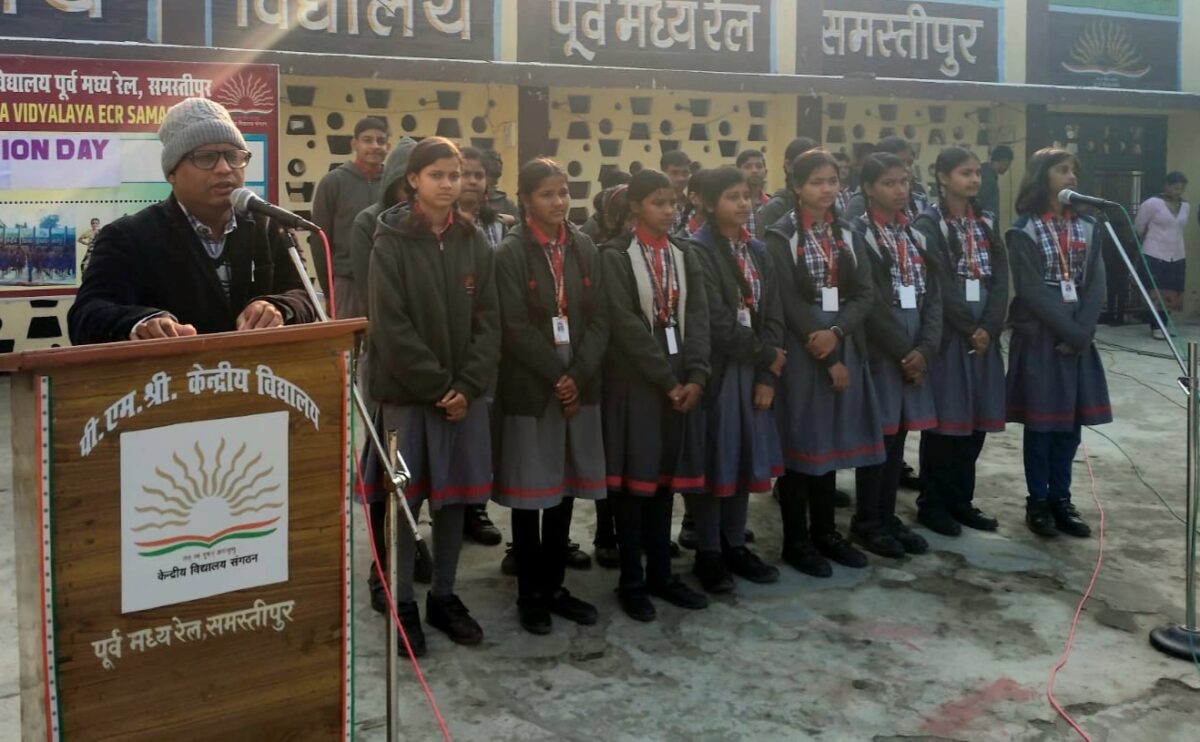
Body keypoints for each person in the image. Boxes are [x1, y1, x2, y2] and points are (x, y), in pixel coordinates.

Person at [366, 136, 501, 655]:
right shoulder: (390, 242)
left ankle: (444, 595)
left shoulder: (473, 240)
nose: (449, 184)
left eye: (456, 174)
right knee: (404, 502)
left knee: (454, 500)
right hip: (408, 399)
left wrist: (467, 386)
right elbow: (391, 328)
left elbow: (489, 320)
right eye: (438, 175)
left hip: (462, 400)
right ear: (413, 180)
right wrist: (440, 386)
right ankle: (402, 602)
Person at [68, 98, 316, 344]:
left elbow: (305, 297)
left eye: (233, 156)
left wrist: (279, 307)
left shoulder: (270, 227)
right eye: (205, 158)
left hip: (262, 368)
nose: (224, 168)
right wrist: (142, 322)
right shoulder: (129, 236)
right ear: (172, 173)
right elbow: (86, 315)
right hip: (170, 368)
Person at [493, 158, 608, 634]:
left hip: (579, 382)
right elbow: (514, 325)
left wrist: (577, 375)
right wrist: (557, 377)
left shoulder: (583, 245)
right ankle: (530, 593)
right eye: (547, 194)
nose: (559, 202)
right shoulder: (510, 252)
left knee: (564, 489)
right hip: (532, 387)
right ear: (525, 199)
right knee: (530, 493)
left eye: (563, 192)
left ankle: (555, 585)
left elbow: (600, 319)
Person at [600, 168, 711, 622]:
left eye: (673, 203)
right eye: (658, 203)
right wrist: (667, 380)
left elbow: (698, 316)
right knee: (634, 484)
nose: (668, 211)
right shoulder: (615, 256)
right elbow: (625, 325)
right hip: (639, 384)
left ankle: (662, 574)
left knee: (665, 480)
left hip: (682, 381)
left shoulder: (684, 253)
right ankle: (632, 580)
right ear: (635, 206)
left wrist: (696, 376)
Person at [767, 150, 880, 576]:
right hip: (803, 347)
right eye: (816, 181)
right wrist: (826, 349)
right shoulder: (780, 235)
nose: (826, 189)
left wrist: (838, 332)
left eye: (833, 180)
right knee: (801, 441)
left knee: (829, 441)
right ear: (797, 186)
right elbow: (786, 298)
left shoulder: (847, 232)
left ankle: (826, 532)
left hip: (841, 338)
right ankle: (796, 540)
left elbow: (865, 292)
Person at [1006, 148, 1112, 539]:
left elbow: (1096, 283)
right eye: (1062, 170)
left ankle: (1061, 499)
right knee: (1042, 425)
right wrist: (1070, 332)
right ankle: (1037, 500)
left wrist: (1082, 331)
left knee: (1069, 426)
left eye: (1074, 171)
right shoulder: (1024, 229)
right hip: (1041, 334)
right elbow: (1031, 289)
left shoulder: (1089, 226)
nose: (1071, 177)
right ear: (1041, 177)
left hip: (1077, 333)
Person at [687, 166, 783, 593]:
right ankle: (708, 551)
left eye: (746, 195)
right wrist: (766, 355)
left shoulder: (758, 250)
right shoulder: (697, 251)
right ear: (709, 204)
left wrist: (767, 374)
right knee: (715, 461)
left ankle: (735, 544)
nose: (743, 203)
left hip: (753, 372)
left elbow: (773, 314)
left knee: (743, 458)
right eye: (732, 196)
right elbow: (717, 322)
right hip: (719, 373)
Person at [850, 153, 942, 558]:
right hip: (882, 350)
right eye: (889, 183)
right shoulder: (858, 235)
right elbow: (869, 301)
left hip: (915, 345)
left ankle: (887, 516)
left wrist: (926, 349)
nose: (900, 190)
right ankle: (867, 520)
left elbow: (933, 295)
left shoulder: (915, 234)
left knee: (900, 434)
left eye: (904, 181)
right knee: (880, 436)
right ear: (868, 188)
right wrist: (906, 353)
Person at [913, 148, 1008, 537]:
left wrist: (991, 326)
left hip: (985, 333)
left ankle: (960, 500)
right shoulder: (929, 223)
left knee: (976, 421)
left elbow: (1000, 278)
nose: (973, 180)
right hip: (952, 334)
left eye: (976, 174)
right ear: (942, 177)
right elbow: (938, 282)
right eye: (964, 173)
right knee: (946, 423)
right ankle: (932, 503)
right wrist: (970, 328)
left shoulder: (986, 220)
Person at [347, 137, 423, 614]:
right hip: (389, 365)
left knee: (422, 470)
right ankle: (382, 568)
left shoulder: (444, 226)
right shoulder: (369, 223)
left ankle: (410, 553)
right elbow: (377, 298)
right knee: (388, 472)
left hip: (434, 367)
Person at [311, 116, 389, 318]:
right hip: (347, 284)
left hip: (388, 282)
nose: (375, 146)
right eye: (367, 140)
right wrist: (329, 291)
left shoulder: (394, 184)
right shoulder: (333, 182)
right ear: (354, 144)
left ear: (388, 146)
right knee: (347, 338)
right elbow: (320, 241)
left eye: (381, 141)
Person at [1136, 171, 1189, 340]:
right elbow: (1139, 227)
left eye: (1181, 189)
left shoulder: (1186, 206)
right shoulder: (1152, 204)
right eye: (1175, 188)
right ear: (1167, 186)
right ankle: (1156, 326)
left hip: (1177, 254)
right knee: (1156, 291)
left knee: (1172, 291)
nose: (1178, 192)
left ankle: (1165, 324)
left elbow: (1180, 228)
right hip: (1155, 252)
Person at [845, 137, 929, 221]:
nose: (907, 169)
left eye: (910, 163)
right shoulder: (860, 203)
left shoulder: (918, 196)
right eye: (899, 163)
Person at [755, 137, 819, 239]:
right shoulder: (776, 208)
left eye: (818, 164)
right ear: (788, 165)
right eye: (806, 165)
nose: (813, 171)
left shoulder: (828, 205)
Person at [460, 146, 515, 250]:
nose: (473, 181)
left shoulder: (498, 227)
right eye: (465, 174)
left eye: (479, 176)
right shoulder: (439, 226)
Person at [738, 149, 770, 237]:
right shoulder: (733, 205)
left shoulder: (772, 204)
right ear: (737, 172)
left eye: (759, 166)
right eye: (747, 167)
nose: (754, 171)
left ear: (766, 172)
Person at [661, 149, 694, 233]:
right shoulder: (655, 205)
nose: (681, 178)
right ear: (663, 173)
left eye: (685, 173)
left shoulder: (693, 204)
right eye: (674, 173)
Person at [483, 149, 519, 220]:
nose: (496, 182)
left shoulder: (507, 204)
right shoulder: (464, 201)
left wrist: (513, 220)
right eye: (492, 176)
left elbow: (521, 222)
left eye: (497, 176)